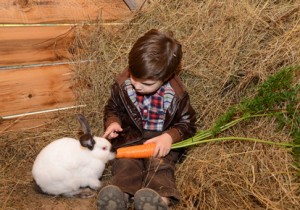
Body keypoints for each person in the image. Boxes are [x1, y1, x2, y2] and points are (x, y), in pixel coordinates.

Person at [97, 29, 197, 210]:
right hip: (131, 138)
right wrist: (113, 122)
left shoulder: (177, 95)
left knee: (159, 166)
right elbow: (112, 108)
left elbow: (188, 123)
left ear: (166, 77)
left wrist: (170, 136)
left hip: (159, 143)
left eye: (147, 83)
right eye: (133, 77)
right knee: (125, 163)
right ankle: (120, 195)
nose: (137, 85)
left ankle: (158, 200)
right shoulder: (123, 86)